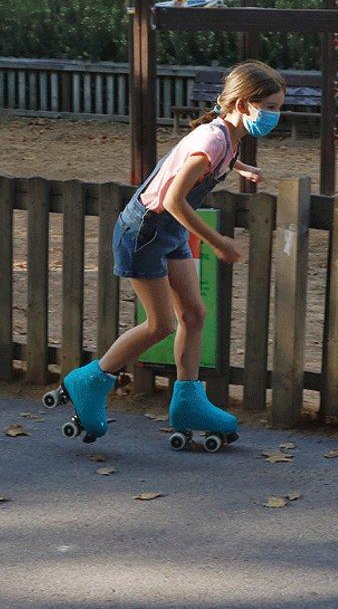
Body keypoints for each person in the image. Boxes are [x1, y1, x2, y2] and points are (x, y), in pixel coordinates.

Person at [55, 60, 285, 446]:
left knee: (193, 314)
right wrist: (218, 242)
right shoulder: (212, 140)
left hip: (168, 231)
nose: (276, 116)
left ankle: (189, 402)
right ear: (244, 104)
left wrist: (242, 167)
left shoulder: (228, 135)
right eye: (273, 107)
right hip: (145, 231)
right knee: (160, 324)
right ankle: (90, 381)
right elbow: (174, 200)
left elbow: (212, 161)